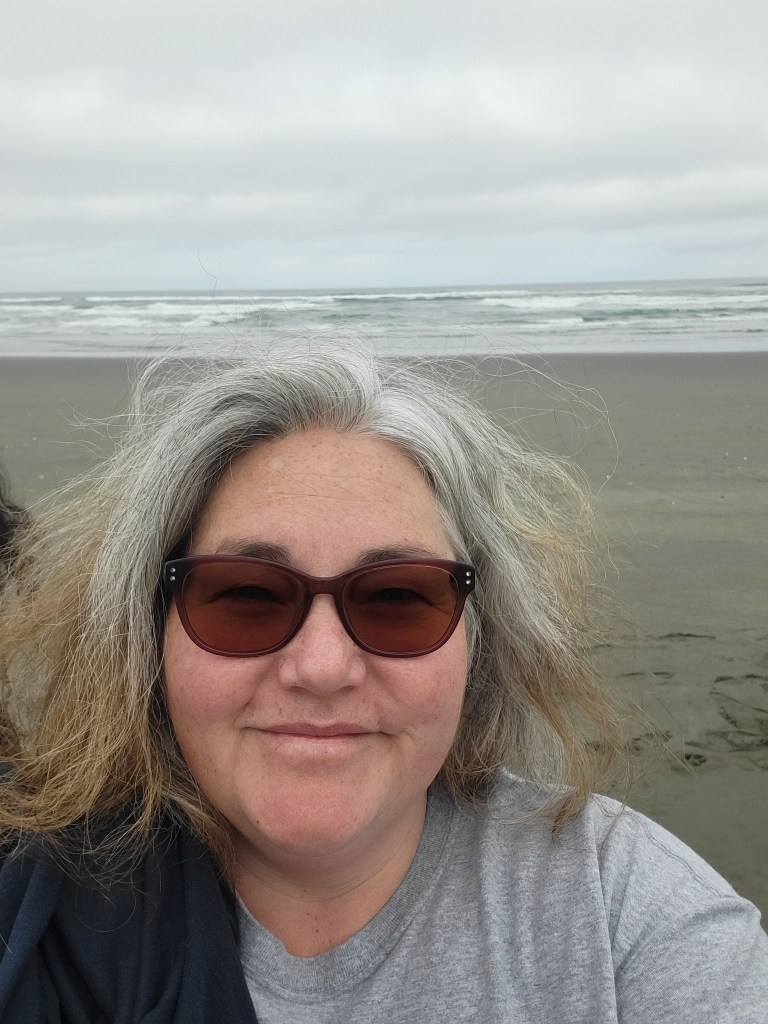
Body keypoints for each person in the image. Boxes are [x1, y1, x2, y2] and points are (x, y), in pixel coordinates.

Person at [0, 344, 765, 1023]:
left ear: (479, 644)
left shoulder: (628, 915)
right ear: (149, 634)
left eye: (397, 597)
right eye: (247, 595)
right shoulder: (33, 915)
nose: (322, 667)